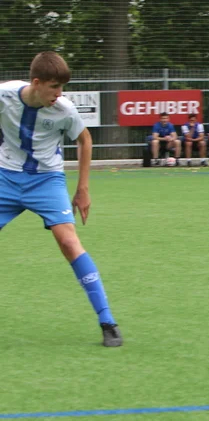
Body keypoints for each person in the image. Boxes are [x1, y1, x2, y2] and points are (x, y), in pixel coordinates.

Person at [0, 51, 122, 346]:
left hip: (47, 180)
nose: (59, 93)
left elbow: (85, 139)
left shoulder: (64, 110)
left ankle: (107, 321)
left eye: (62, 87)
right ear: (36, 82)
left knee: (68, 242)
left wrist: (83, 189)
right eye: (54, 87)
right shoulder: (4, 95)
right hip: (5, 177)